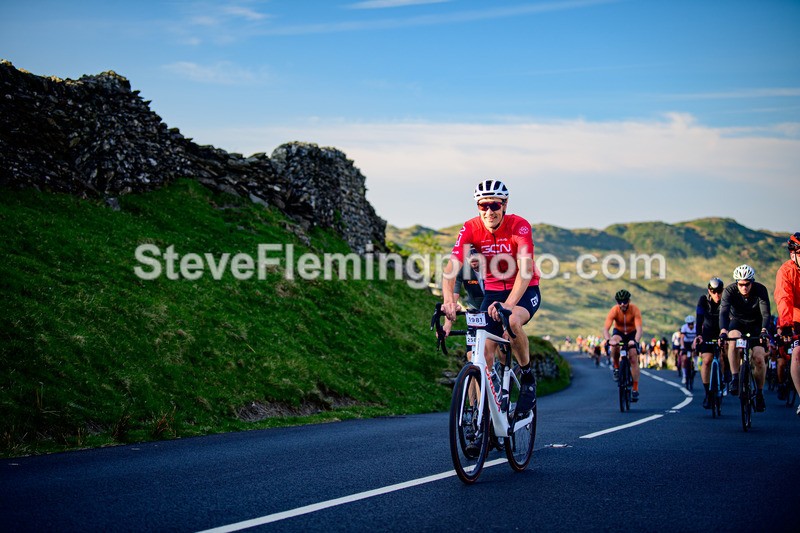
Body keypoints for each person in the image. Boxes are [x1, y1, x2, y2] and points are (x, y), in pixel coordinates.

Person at [441, 179, 541, 418]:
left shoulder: (519, 226)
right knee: (482, 350)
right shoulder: (470, 227)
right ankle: (484, 415)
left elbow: (526, 270)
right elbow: (451, 270)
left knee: (512, 321)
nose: (489, 211)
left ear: (504, 204)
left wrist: (509, 304)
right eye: (483, 206)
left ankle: (528, 378)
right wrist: (449, 301)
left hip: (524, 290)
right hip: (494, 293)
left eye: (494, 205)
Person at [719, 264, 771, 412]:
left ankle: (759, 393)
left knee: (759, 358)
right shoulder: (729, 291)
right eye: (741, 284)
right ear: (737, 283)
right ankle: (735, 378)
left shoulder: (760, 290)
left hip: (756, 324)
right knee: (733, 339)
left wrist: (764, 330)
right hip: (738, 322)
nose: (744, 287)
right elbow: (724, 313)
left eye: (747, 284)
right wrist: (723, 331)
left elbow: (766, 314)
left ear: (752, 282)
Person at [774, 232, 800, 415]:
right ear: (793, 255)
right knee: (797, 353)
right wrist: (785, 326)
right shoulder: (785, 272)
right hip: (796, 318)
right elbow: (784, 299)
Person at [602, 289, 644, 401]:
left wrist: (635, 341)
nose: (622, 304)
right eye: (619, 302)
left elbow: (639, 329)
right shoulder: (614, 310)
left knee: (633, 357)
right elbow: (606, 329)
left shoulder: (635, 309)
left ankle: (635, 388)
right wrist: (608, 340)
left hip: (632, 333)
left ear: (629, 301)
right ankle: (616, 367)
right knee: (614, 343)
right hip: (619, 332)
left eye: (625, 301)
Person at [694, 277, 725, 408]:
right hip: (707, 332)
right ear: (709, 291)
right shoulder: (703, 300)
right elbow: (699, 319)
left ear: (723, 290)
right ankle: (708, 393)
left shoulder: (726, 300)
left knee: (722, 357)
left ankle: (723, 379)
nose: (717, 294)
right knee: (706, 360)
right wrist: (698, 335)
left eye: (719, 291)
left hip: (722, 331)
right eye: (713, 291)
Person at [679, 315, 698, 388]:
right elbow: (682, 338)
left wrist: (695, 345)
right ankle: (684, 375)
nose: (690, 325)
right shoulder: (684, 327)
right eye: (689, 324)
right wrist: (682, 346)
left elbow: (697, 337)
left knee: (695, 353)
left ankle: (695, 364)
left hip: (693, 342)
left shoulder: (696, 327)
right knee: (684, 359)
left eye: (692, 323)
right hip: (686, 343)